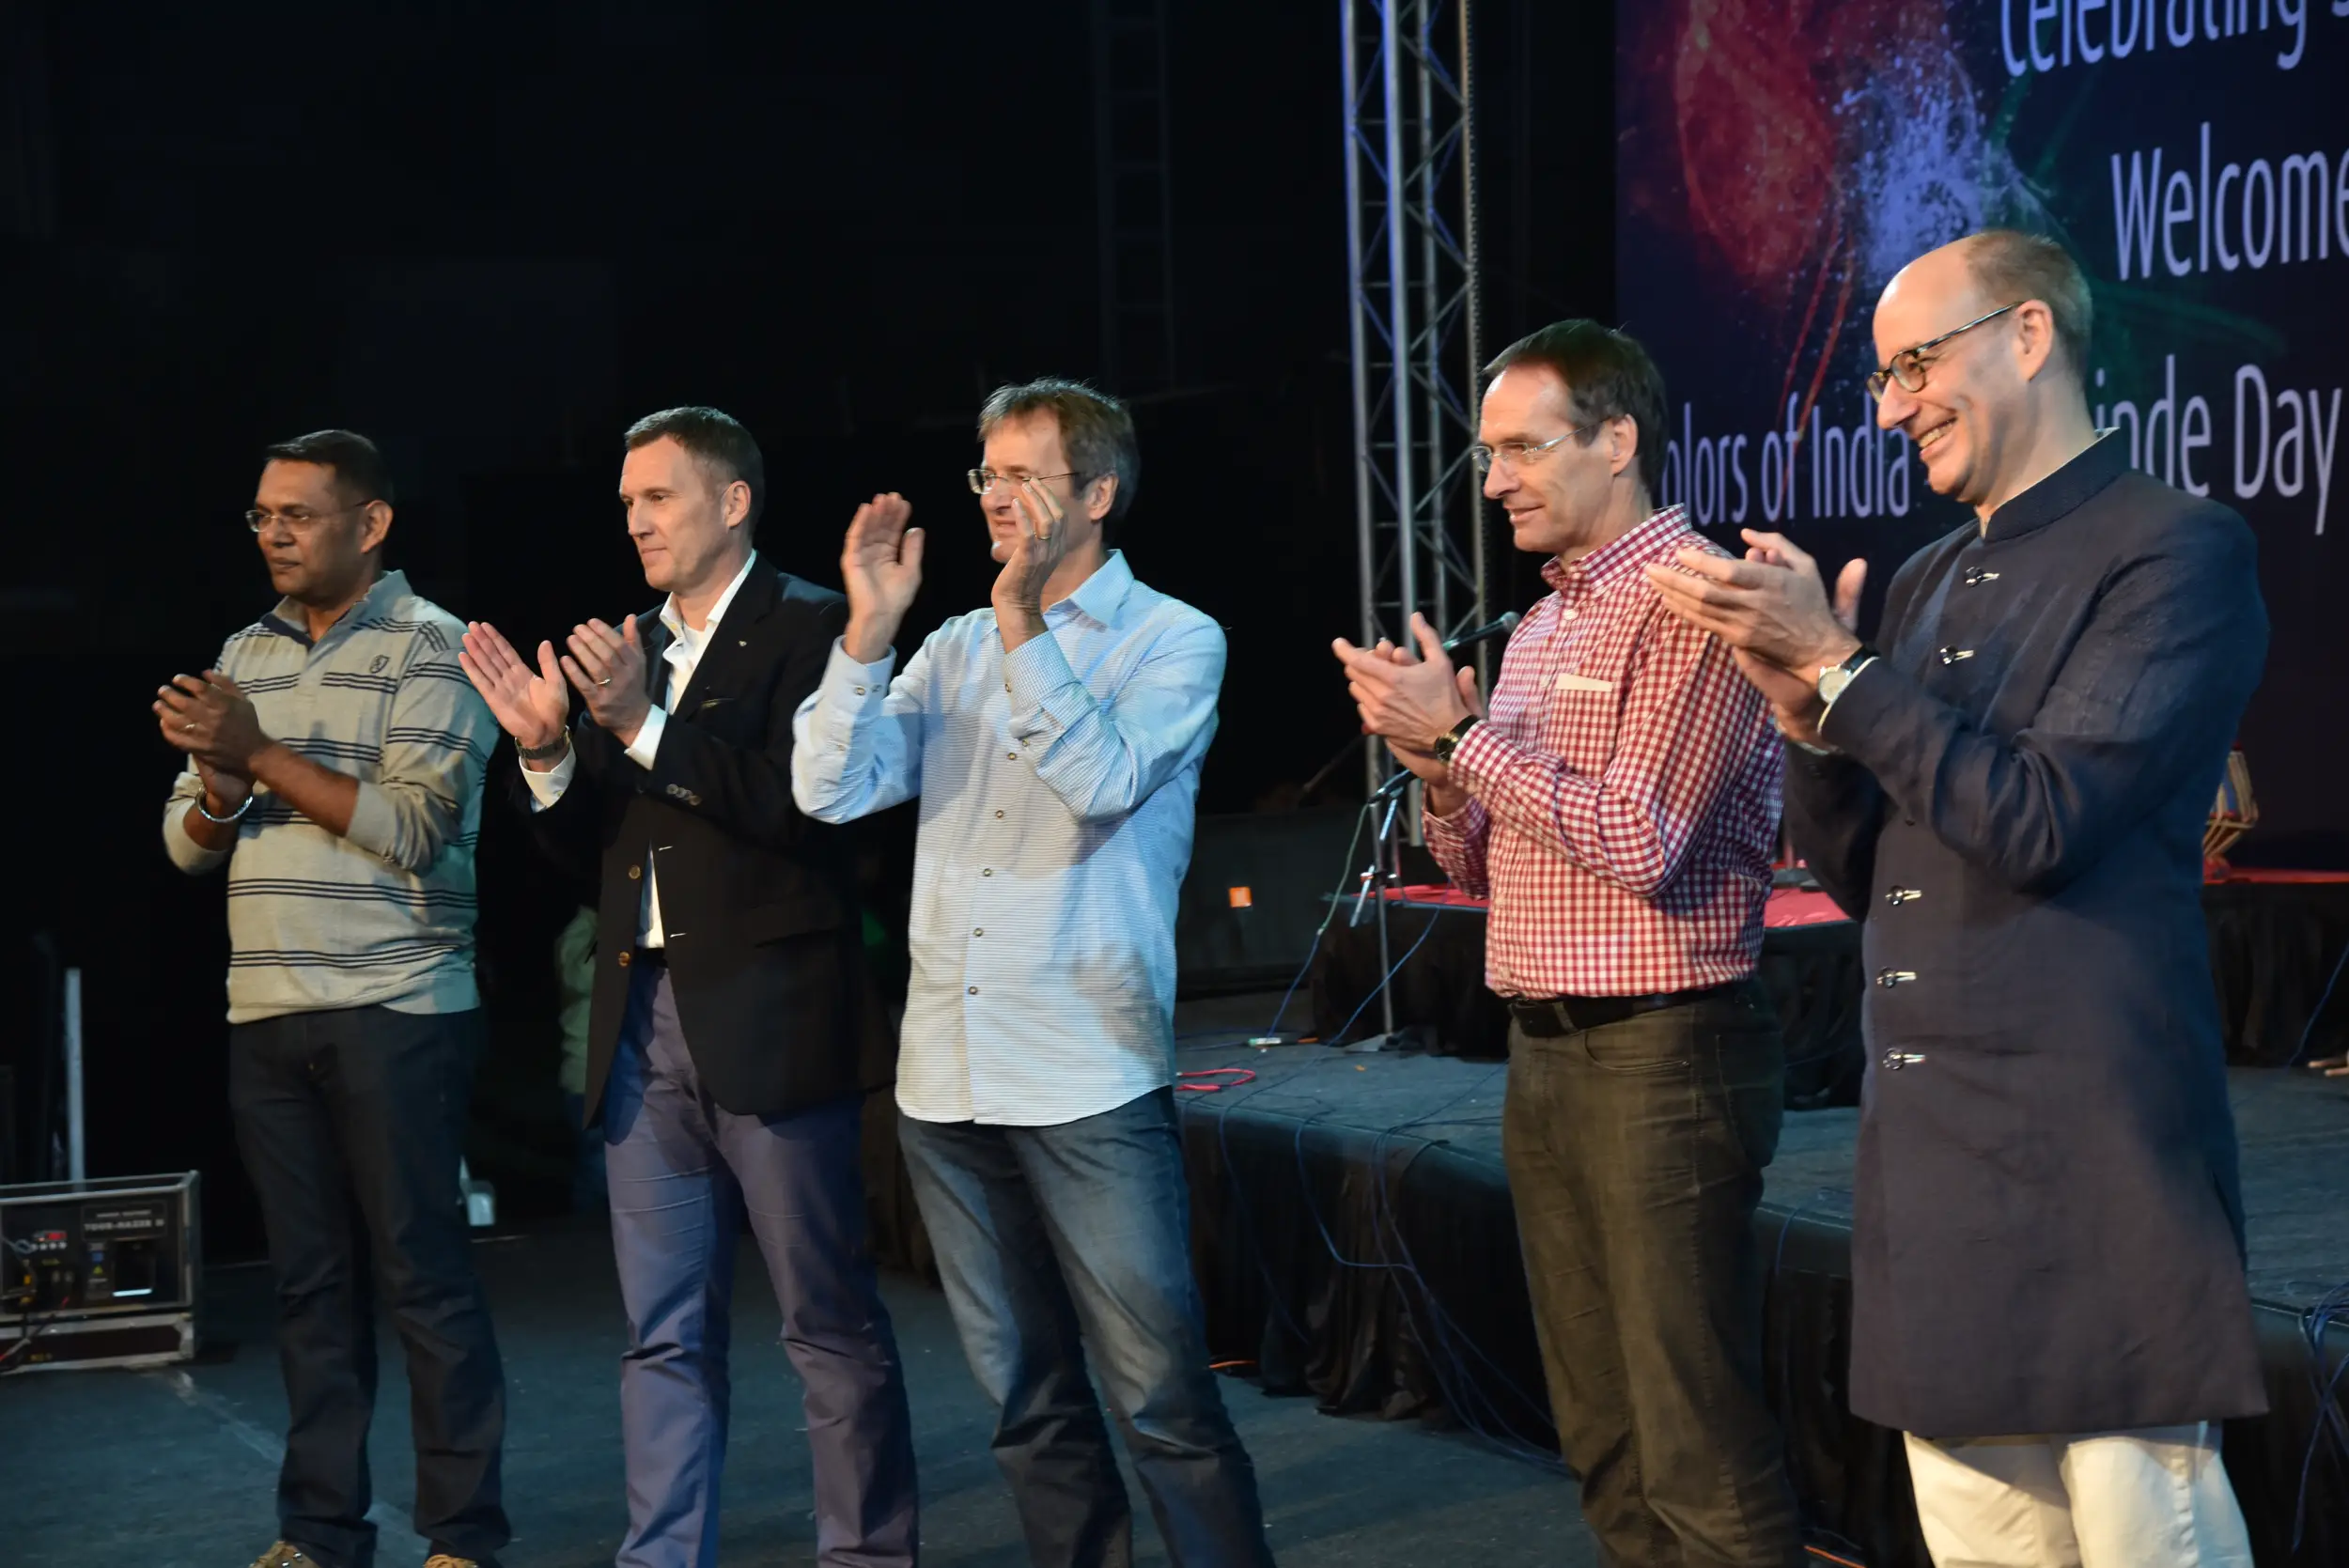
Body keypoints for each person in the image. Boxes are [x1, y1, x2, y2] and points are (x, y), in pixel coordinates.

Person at [1646, 230, 2266, 1567]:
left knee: (2141, 1529)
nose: (1889, 407)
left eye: (1915, 364)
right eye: (1879, 378)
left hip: (2096, 1156)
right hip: (1934, 1160)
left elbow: (2038, 824)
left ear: (2030, 335)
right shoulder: (1926, 579)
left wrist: (1843, 669)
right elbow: (1873, 878)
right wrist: (1811, 723)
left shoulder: (2174, 551)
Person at [1331, 320, 1803, 1568]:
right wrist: (1436, 766)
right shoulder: (1542, 627)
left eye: (1521, 447)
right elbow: (1487, 866)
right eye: (1488, 453)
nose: (1493, 480)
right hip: (1543, 1052)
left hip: (1666, 1054)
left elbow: (1644, 843)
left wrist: (1469, 741)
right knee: (1597, 1421)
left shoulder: (1697, 603)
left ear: (1617, 439)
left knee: (1692, 1426)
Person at [791, 379, 1274, 1568]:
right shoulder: (950, 645)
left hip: (1085, 1074)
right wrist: (863, 633)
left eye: (1024, 476)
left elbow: (1102, 780)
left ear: (1096, 494)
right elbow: (830, 789)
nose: (995, 498)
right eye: (985, 476)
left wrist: (1021, 625)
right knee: (1028, 1405)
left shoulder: (1174, 637)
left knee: (1161, 1396)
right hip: (947, 1085)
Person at [457, 408, 917, 1568]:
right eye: (625, 504)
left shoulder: (818, 627)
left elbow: (811, 815)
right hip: (641, 1028)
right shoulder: (630, 647)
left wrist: (642, 725)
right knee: (660, 1332)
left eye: (656, 497)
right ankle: (661, 1554)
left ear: (732, 501)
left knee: (825, 1321)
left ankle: (866, 1552)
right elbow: (595, 861)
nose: (635, 520)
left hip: (772, 1021)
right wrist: (550, 755)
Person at [155, 429, 509, 1568]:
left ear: (371, 523)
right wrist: (217, 785)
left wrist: (255, 755)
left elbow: (414, 826)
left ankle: (460, 1533)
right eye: (262, 515)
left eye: (298, 514)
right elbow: (185, 845)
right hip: (266, 1008)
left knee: (424, 1282)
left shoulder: (434, 646)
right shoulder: (240, 652)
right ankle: (318, 1532)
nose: (273, 534)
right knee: (309, 1290)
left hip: (397, 1006)